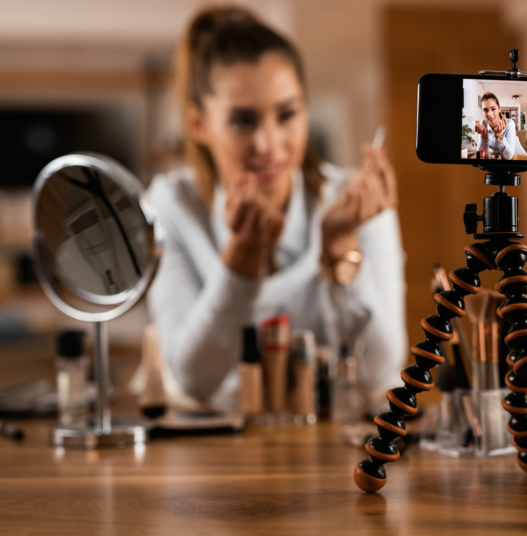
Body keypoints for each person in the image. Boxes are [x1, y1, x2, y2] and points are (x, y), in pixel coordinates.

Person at [146, 6, 407, 408]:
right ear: (198, 125)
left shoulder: (357, 202)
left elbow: (378, 377)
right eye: (242, 121)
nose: (269, 144)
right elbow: (194, 378)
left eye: (287, 114)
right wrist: (241, 259)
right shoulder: (171, 206)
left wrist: (340, 251)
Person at [474, 92, 516, 160]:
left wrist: (499, 134)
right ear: (482, 111)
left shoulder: (510, 123)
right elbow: (481, 156)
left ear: (499, 109)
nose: (489, 114)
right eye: (485, 110)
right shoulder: (483, 124)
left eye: (493, 109)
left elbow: (509, 157)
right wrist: (484, 137)